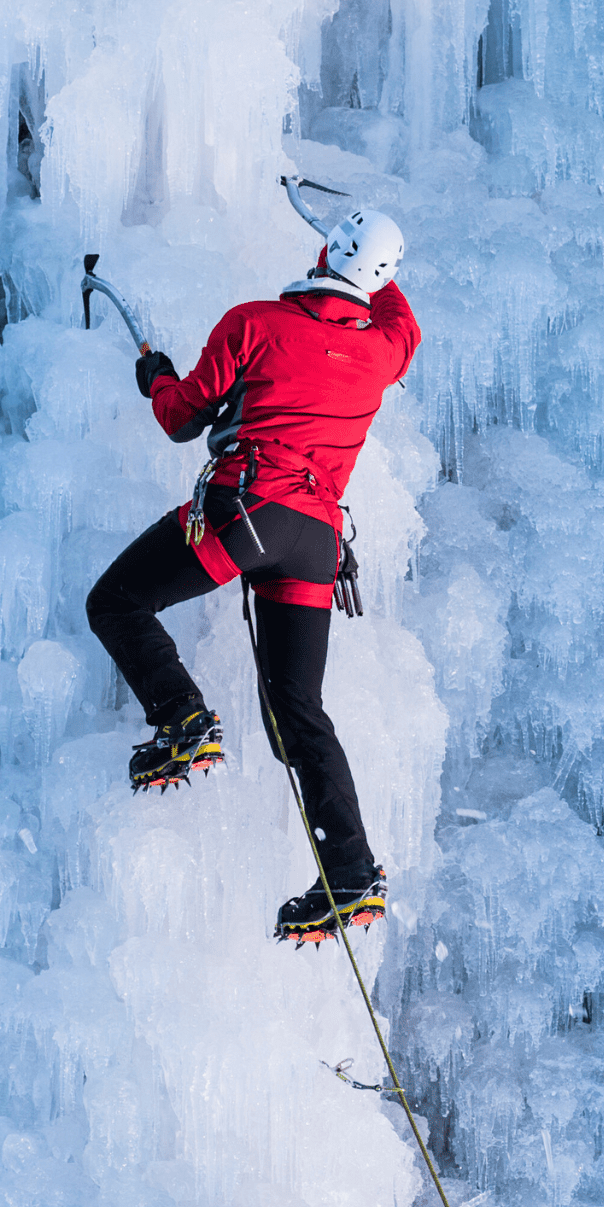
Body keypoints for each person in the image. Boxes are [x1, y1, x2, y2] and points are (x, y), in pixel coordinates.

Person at [84, 206, 419, 945]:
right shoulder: (385, 350)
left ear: (328, 250)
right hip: (314, 541)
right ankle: (352, 874)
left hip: (248, 513)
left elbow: (181, 418)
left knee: (115, 601)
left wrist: (155, 376)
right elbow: (400, 315)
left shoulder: (256, 324)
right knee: (297, 708)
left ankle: (183, 721)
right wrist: (381, 267)